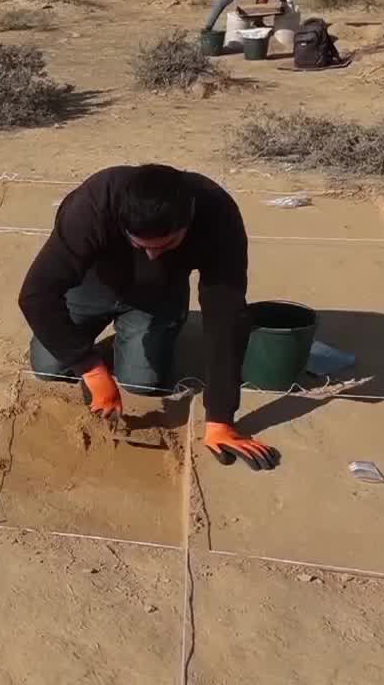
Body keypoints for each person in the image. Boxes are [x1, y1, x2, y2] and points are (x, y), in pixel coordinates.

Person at [18, 164, 279, 470]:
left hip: (158, 295)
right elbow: (36, 295)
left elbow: (226, 316)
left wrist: (220, 419)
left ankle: (145, 333)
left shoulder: (217, 213)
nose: (153, 255)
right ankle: (99, 351)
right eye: (140, 245)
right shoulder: (92, 206)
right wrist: (91, 369)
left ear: (189, 219)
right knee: (49, 368)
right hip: (93, 284)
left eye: (166, 245)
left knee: (142, 383)